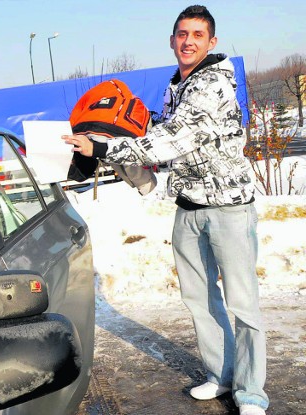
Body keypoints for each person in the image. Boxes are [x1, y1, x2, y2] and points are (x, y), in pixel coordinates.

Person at [62, 5, 267, 415]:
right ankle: (221, 375)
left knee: (242, 304)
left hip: (228, 209)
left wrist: (103, 147)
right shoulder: (180, 86)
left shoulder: (212, 86)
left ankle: (251, 394)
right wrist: (112, 125)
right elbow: (157, 131)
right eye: (181, 34)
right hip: (189, 206)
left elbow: (171, 141)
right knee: (199, 298)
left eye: (197, 34)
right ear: (172, 40)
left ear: (211, 42)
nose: (188, 41)